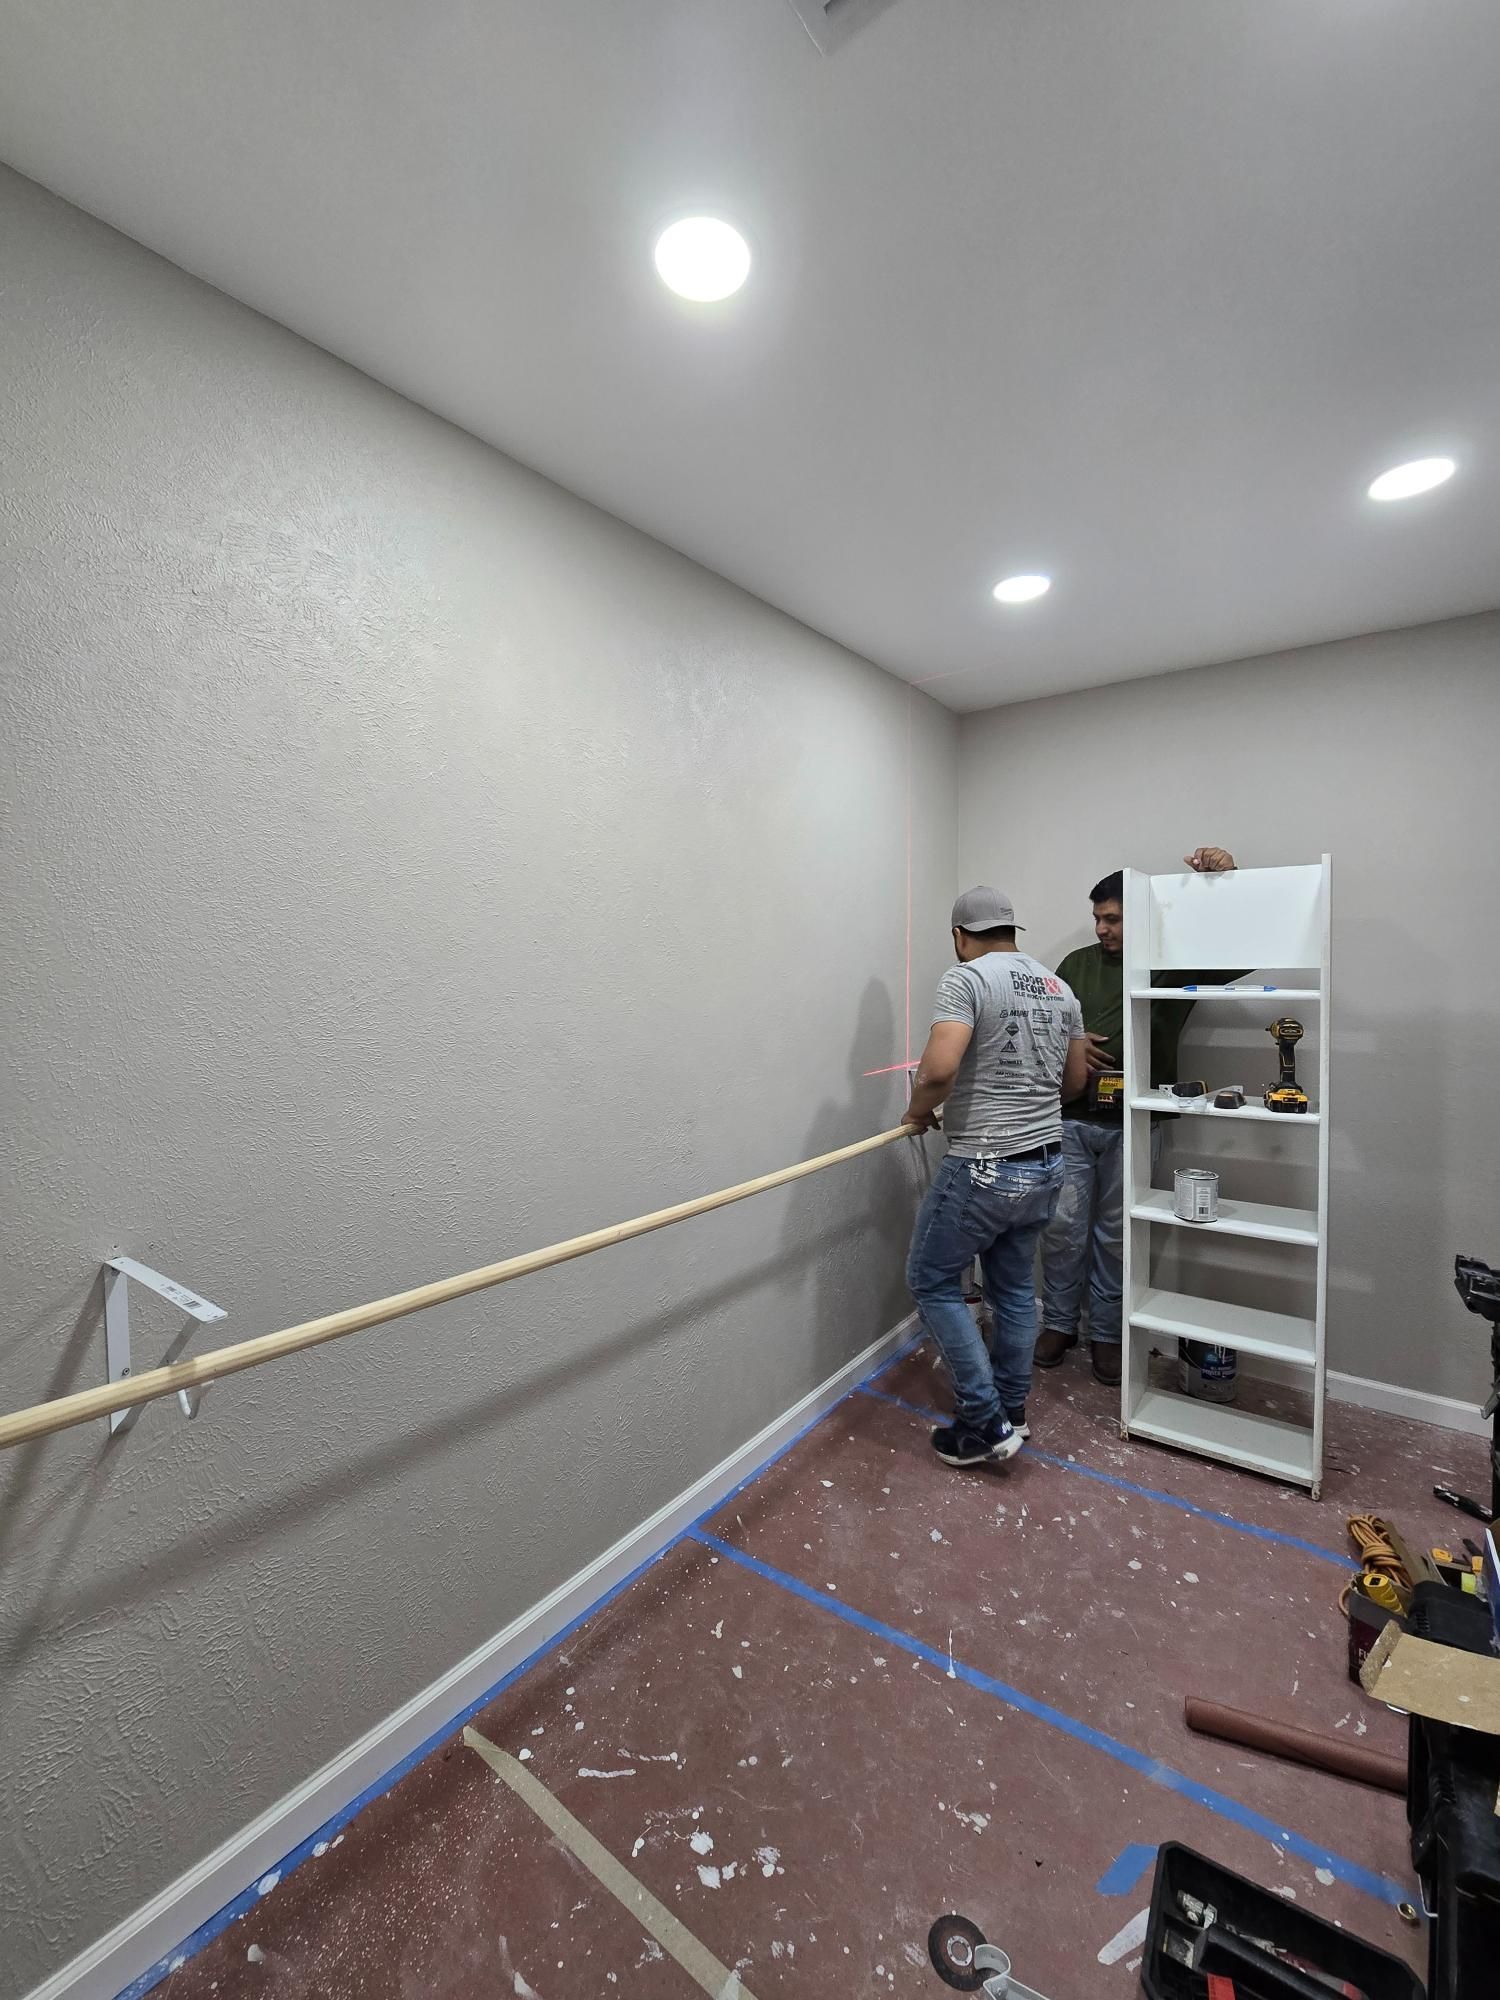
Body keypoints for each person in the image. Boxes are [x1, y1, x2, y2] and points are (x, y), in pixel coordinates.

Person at [1037, 847, 1237, 1387]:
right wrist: (1071, 1045)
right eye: (1097, 918)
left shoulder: (1175, 963)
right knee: (1061, 1229)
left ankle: (1107, 1333)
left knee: (1117, 1234)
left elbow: (1239, 949)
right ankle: (1058, 1323)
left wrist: (1225, 883)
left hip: (1135, 1122)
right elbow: (1038, 1026)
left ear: (1142, 918)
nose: (1101, 929)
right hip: (1070, 1120)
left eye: (1113, 919)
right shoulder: (1075, 965)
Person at [904, 886, 1088, 1468]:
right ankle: (1013, 1410)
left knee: (931, 1280)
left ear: (959, 936)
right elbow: (1074, 1082)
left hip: (984, 1164)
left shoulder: (966, 980)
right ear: (1012, 931)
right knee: (1012, 1291)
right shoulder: (1059, 988)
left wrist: (916, 1112)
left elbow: (938, 1069)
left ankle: (984, 1421)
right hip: (1046, 1163)